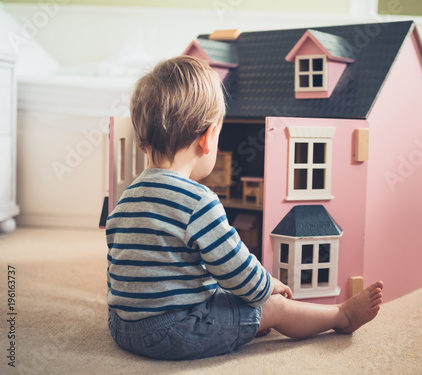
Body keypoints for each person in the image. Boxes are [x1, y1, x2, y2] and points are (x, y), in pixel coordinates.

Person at [106, 55, 383, 360]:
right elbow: (236, 270)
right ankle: (341, 317)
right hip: (173, 332)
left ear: (142, 142)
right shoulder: (198, 201)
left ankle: (246, 322)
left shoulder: (126, 198)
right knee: (273, 306)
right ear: (208, 138)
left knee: (222, 294)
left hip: (122, 327)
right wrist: (267, 287)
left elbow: (121, 269)